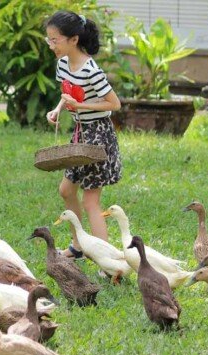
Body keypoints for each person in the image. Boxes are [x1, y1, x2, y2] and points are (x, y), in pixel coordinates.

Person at [45, 10, 122, 259]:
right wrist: (57, 110)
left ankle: (105, 259)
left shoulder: (91, 71)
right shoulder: (63, 65)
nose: (51, 45)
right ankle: (78, 246)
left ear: (73, 39)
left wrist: (82, 107)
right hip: (80, 134)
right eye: (49, 39)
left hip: (98, 136)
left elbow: (114, 104)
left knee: (91, 201)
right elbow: (67, 93)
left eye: (55, 40)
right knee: (67, 191)